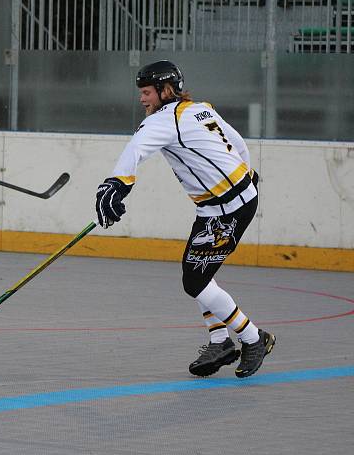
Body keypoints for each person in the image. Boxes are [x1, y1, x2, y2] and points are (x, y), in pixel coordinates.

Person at [94, 60, 275, 379]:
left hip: (226, 210)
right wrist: (248, 171)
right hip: (221, 206)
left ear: (165, 91)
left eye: (147, 92)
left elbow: (135, 149)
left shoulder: (163, 120)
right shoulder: (198, 108)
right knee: (197, 273)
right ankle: (220, 340)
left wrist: (115, 186)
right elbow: (235, 140)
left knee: (196, 280)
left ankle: (253, 338)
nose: (142, 99)